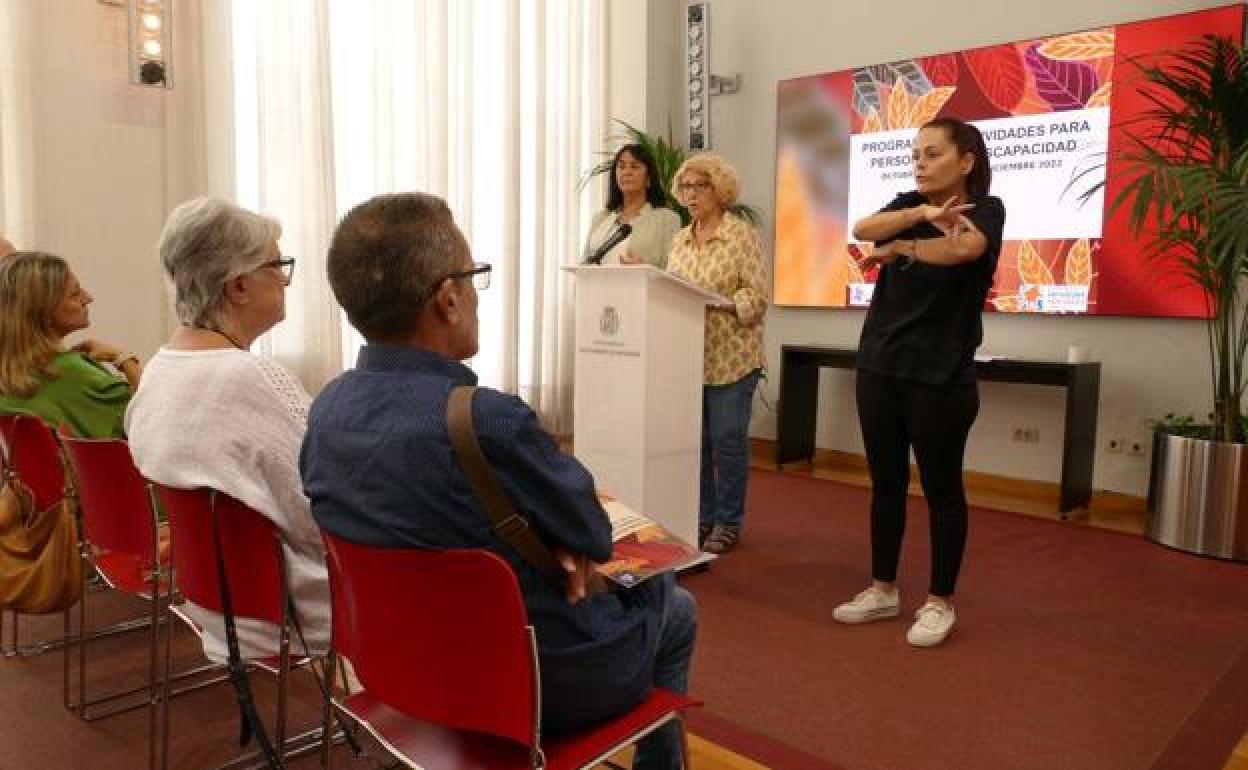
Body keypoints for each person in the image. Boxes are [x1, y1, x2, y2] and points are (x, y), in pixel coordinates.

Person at [303, 192, 696, 770]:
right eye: (473, 276)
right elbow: (593, 534)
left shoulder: (327, 410)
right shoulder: (484, 418)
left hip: (394, 670)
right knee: (674, 602)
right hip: (529, 687)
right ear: (449, 300)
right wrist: (570, 544)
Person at [126, 197, 329, 662]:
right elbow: (321, 514)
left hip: (211, 599)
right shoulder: (250, 377)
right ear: (238, 286)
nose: (284, 278)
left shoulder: (160, 367)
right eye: (278, 266)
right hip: (284, 612)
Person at [833, 118, 1006, 647]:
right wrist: (920, 215)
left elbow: (963, 251)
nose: (921, 164)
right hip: (880, 366)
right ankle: (883, 588)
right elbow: (864, 230)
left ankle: (939, 601)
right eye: (917, 155)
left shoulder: (987, 210)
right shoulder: (908, 201)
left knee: (941, 490)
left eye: (933, 155)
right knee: (885, 485)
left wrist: (906, 247)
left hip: (940, 375)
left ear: (966, 161)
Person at [666, 153, 767, 555]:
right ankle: (702, 516)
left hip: (733, 357)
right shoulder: (679, 239)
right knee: (697, 443)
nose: (690, 195)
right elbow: (671, 289)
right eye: (685, 187)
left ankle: (728, 521)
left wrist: (717, 302)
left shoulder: (742, 235)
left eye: (699, 186)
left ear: (719, 189)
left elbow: (756, 297)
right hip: (689, 355)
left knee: (727, 442)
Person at [0, 251, 142, 438]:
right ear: (43, 311)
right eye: (75, 294)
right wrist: (125, 360)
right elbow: (155, 421)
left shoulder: (8, 374)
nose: (88, 298)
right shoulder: (72, 373)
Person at [584, 143, 681, 267]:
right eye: (621, 166)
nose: (627, 172)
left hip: (641, 286)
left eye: (634, 167)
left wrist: (645, 269)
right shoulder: (600, 218)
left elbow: (673, 271)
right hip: (596, 285)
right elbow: (584, 264)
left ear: (648, 177)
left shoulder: (667, 219)